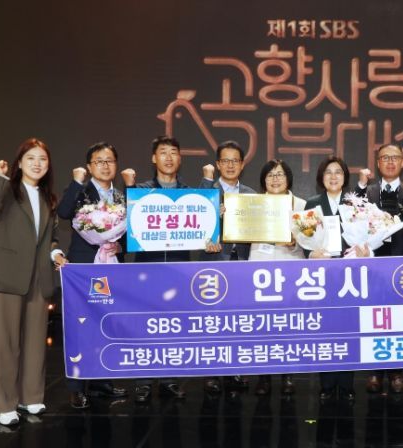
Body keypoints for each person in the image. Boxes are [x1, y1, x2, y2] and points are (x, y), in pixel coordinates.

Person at [0, 138, 67, 426]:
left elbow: (50, 238)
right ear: (19, 163)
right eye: (31, 158)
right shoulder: (7, 189)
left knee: (34, 342)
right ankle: (4, 403)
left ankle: (30, 396)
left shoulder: (48, 197)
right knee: (4, 344)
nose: (37, 163)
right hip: (5, 276)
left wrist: (55, 252)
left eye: (42, 159)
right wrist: (0, 177)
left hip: (38, 278)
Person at [56, 142, 128, 409]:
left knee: (106, 323)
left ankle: (101, 383)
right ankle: (76, 387)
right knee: (80, 326)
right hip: (84, 268)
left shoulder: (121, 196)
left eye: (110, 160)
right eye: (99, 161)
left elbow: (130, 234)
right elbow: (64, 212)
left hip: (111, 266)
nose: (105, 166)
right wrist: (76, 182)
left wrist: (120, 247)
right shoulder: (81, 191)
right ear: (89, 166)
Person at [121, 136, 188, 403]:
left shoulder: (191, 194)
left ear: (180, 158)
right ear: (154, 158)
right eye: (163, 152)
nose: (168, 158)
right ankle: (144, 381)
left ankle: (170, 379)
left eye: (173, 152)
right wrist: (128, 189)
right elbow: (127, 224)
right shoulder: (140, 191)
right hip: (146, 270)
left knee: (174, 327)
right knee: (145, 326)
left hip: (178, 269)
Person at [305, 156, 371, 402]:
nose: (333, 177)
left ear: (345, 177)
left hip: (349, 275)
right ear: (321, 178)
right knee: (325, 330)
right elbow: (304, 238)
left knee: (348, 329)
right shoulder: (313, 204)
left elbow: (368, 234)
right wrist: (311, 253)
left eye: (338, 172)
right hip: (322, 275)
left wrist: (366, 251)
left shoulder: (356, 203)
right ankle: (327, 384)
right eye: (328, 172)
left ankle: (346, 384)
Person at [355, 143, 403, 394]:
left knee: (399, 319)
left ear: (402, 162)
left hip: (402, 262)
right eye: (385, 158)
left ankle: (396, 372)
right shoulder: (367, 191)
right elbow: (352, 216)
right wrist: (360, 186)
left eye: (395, 158)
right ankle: (374, 372)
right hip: (373, 263)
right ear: (378, 163)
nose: (390, 162)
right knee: (373, 318)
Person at [198, 140, 256, 394]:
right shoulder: (206, 191)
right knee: (212, 321)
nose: (230, 165)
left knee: (238, 321)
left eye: (235, 160)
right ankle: (211, 373)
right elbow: (194, 227)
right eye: (225, 160)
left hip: (242, 263)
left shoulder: (252, 195)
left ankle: (235, 369)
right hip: (213, 262)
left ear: (242, 165)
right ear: (218, 164)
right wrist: (212, 216)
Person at [249, 159, 304, 396]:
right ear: (263, 180)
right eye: (270, 175)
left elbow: (313, 240)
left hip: (290, 271)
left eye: (280, 174)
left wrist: (295, 242)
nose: (275, 179)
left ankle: (288, 376)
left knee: (287, 325)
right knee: (263, 327)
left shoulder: (301, 205)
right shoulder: (251, 205)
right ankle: (264, 377)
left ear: (288, 178)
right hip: (259, 272)